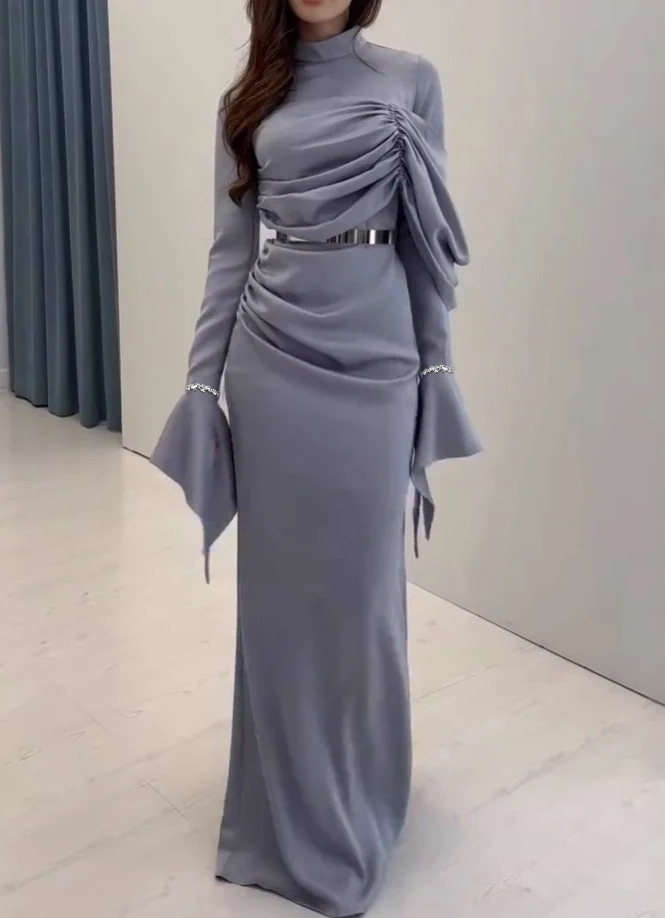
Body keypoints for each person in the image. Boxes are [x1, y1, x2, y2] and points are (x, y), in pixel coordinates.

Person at [152, 0, 482, 914]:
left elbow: (426, 248)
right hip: (271, 362)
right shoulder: (246, 100)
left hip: (376, 361)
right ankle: (278, 816)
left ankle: (361, 796)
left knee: (362, 596)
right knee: (280, 600)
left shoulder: (411, 81)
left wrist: (436, 365)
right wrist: (200, 381)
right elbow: (229, 252)